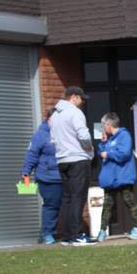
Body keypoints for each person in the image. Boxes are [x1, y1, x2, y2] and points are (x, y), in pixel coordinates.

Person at [50, 86, 95, 246]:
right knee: (78, 197)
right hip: (78, 159)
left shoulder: (55, 115)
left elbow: (53, 139)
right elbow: (83, 134)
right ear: (74, 97)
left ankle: (67, 235)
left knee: (67, 198)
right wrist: (89, 148)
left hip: (62, 160)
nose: (82, 102)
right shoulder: (75, 112)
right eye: (81, 99)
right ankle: (77, 235)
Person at [97, 112, 137, 241]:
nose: (103, 128)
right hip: (110, 178)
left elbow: (124, 153)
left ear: (109, 124)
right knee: (107, 205)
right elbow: (102, 152)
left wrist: (109, 154)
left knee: (130, 202)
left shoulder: (124, 135)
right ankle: (102, 231)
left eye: (103, 125)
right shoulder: (110, 139)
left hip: (123, 176)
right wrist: (103, 143)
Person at [21, 108, 62, 245]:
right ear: (50, 119)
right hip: (47, 177)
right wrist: (26, 173)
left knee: (61, 206)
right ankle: (47, 234)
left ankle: (47, 234)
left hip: (62, 176)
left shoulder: (63, 132)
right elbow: (31, 154)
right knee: (51, 205)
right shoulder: (40, 135)